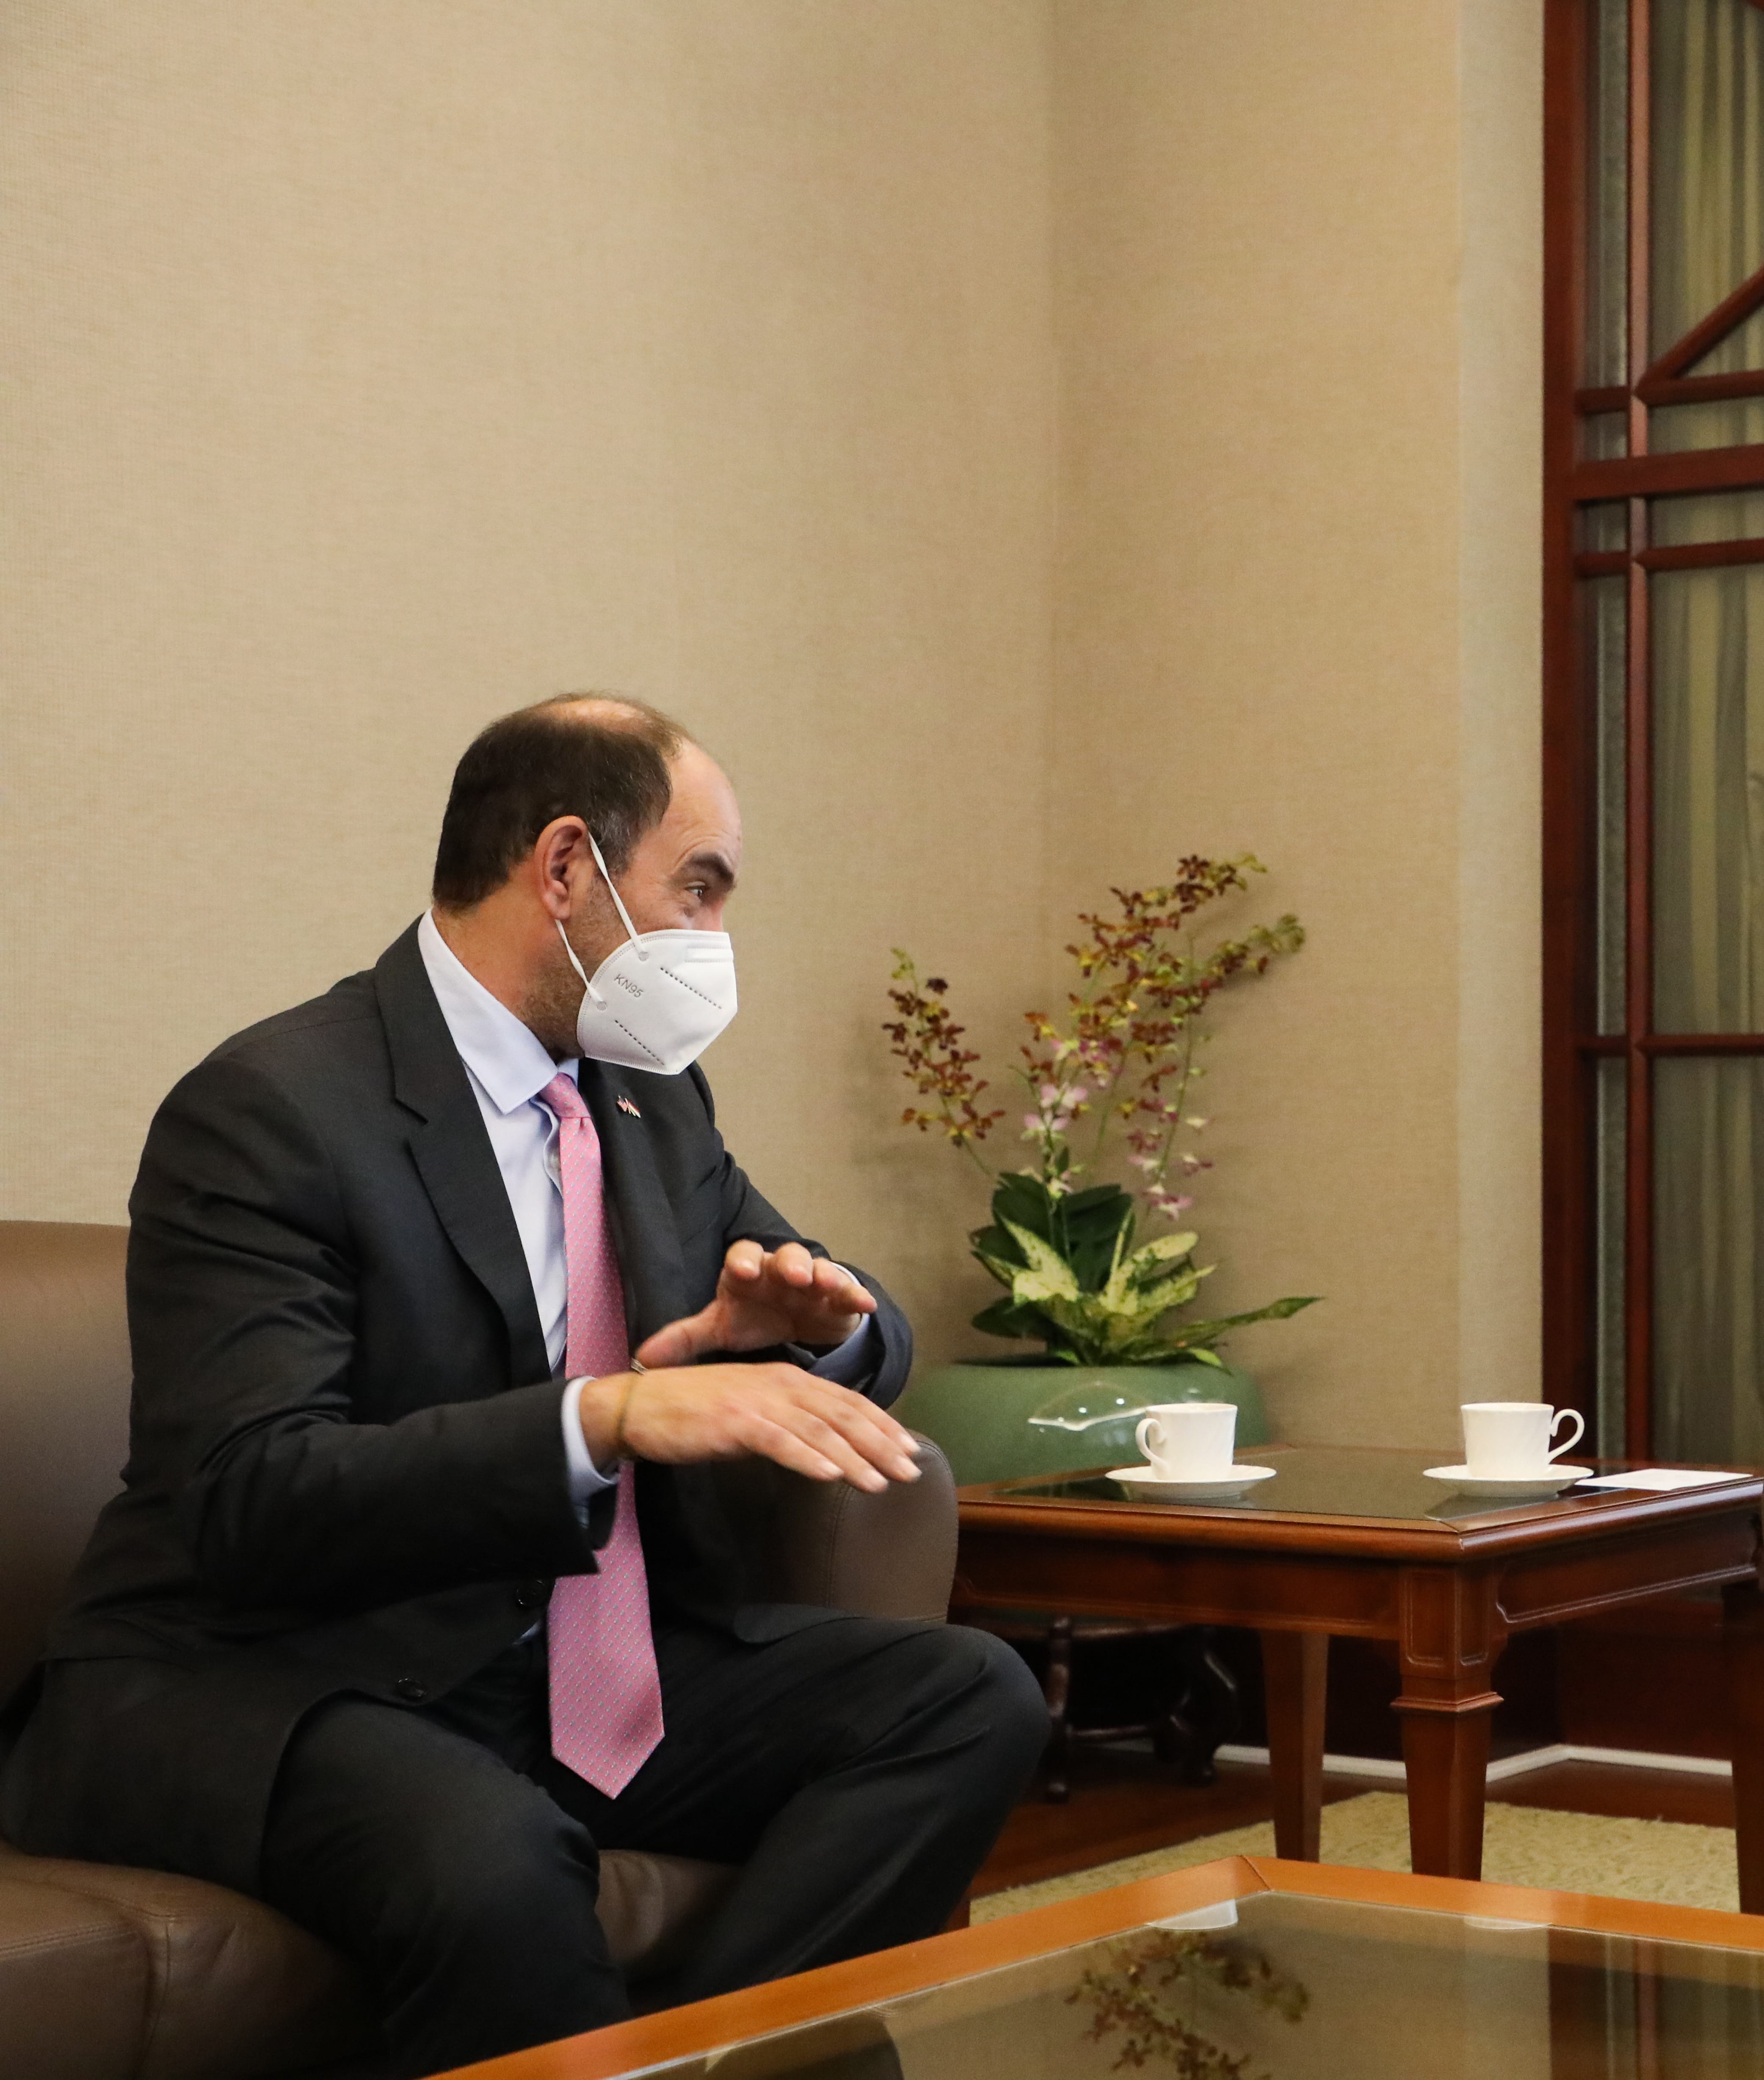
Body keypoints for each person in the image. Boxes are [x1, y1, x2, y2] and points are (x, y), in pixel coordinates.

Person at [0, 696, 1049, 2075]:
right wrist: (604, 1415)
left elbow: (856, 1318)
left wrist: (810, 1329)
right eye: (698, 887)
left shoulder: (648, 1100)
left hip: (551, 1666)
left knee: (968, 1694)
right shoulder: (274, 1106)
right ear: (565, 866)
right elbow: (250, 1490)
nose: (714, 937)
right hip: (270, 1672)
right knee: (493, 1857)